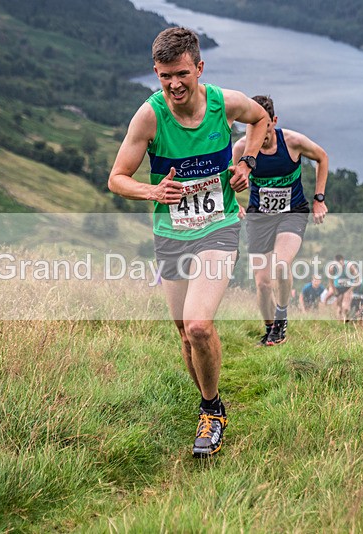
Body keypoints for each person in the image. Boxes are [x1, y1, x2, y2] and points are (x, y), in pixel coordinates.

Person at [108, 27, 269, 458]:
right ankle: (210, 401)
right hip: (171, 235)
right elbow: (117, 178)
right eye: (164, 76)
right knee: (184, 334)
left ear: (199, 67)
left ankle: (212, 411)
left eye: (181, 73)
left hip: (218, 227)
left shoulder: (224, 103)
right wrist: (153, 192)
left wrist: (247, 163)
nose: (174, 84)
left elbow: (261, 119)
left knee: (199, 324)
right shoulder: (149, 116)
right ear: (155, 74)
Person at [233, 95, 328, 346]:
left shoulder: (293, 142)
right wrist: (234, 203)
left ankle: (282, 317)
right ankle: (270, 330)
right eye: (251, 126)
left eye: (262, 126)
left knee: (282, 265)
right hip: (259, 217)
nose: (257, 133)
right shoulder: (240, 149)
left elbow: (322, 157)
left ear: (273, 121)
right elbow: (233, 180)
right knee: (263, 284)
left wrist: (319, 198)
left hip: (292, 212)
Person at [323, 254, 361, 322]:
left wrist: (350, 290)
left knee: (345, 307)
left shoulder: (350, 266)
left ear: (342, 261)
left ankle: (346, 318)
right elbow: (330, 281)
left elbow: (357, 279)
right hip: (338, 287)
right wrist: (334, 290)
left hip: (348, 287)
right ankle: (338, 321)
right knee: (339, 306)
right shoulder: (332, 268)